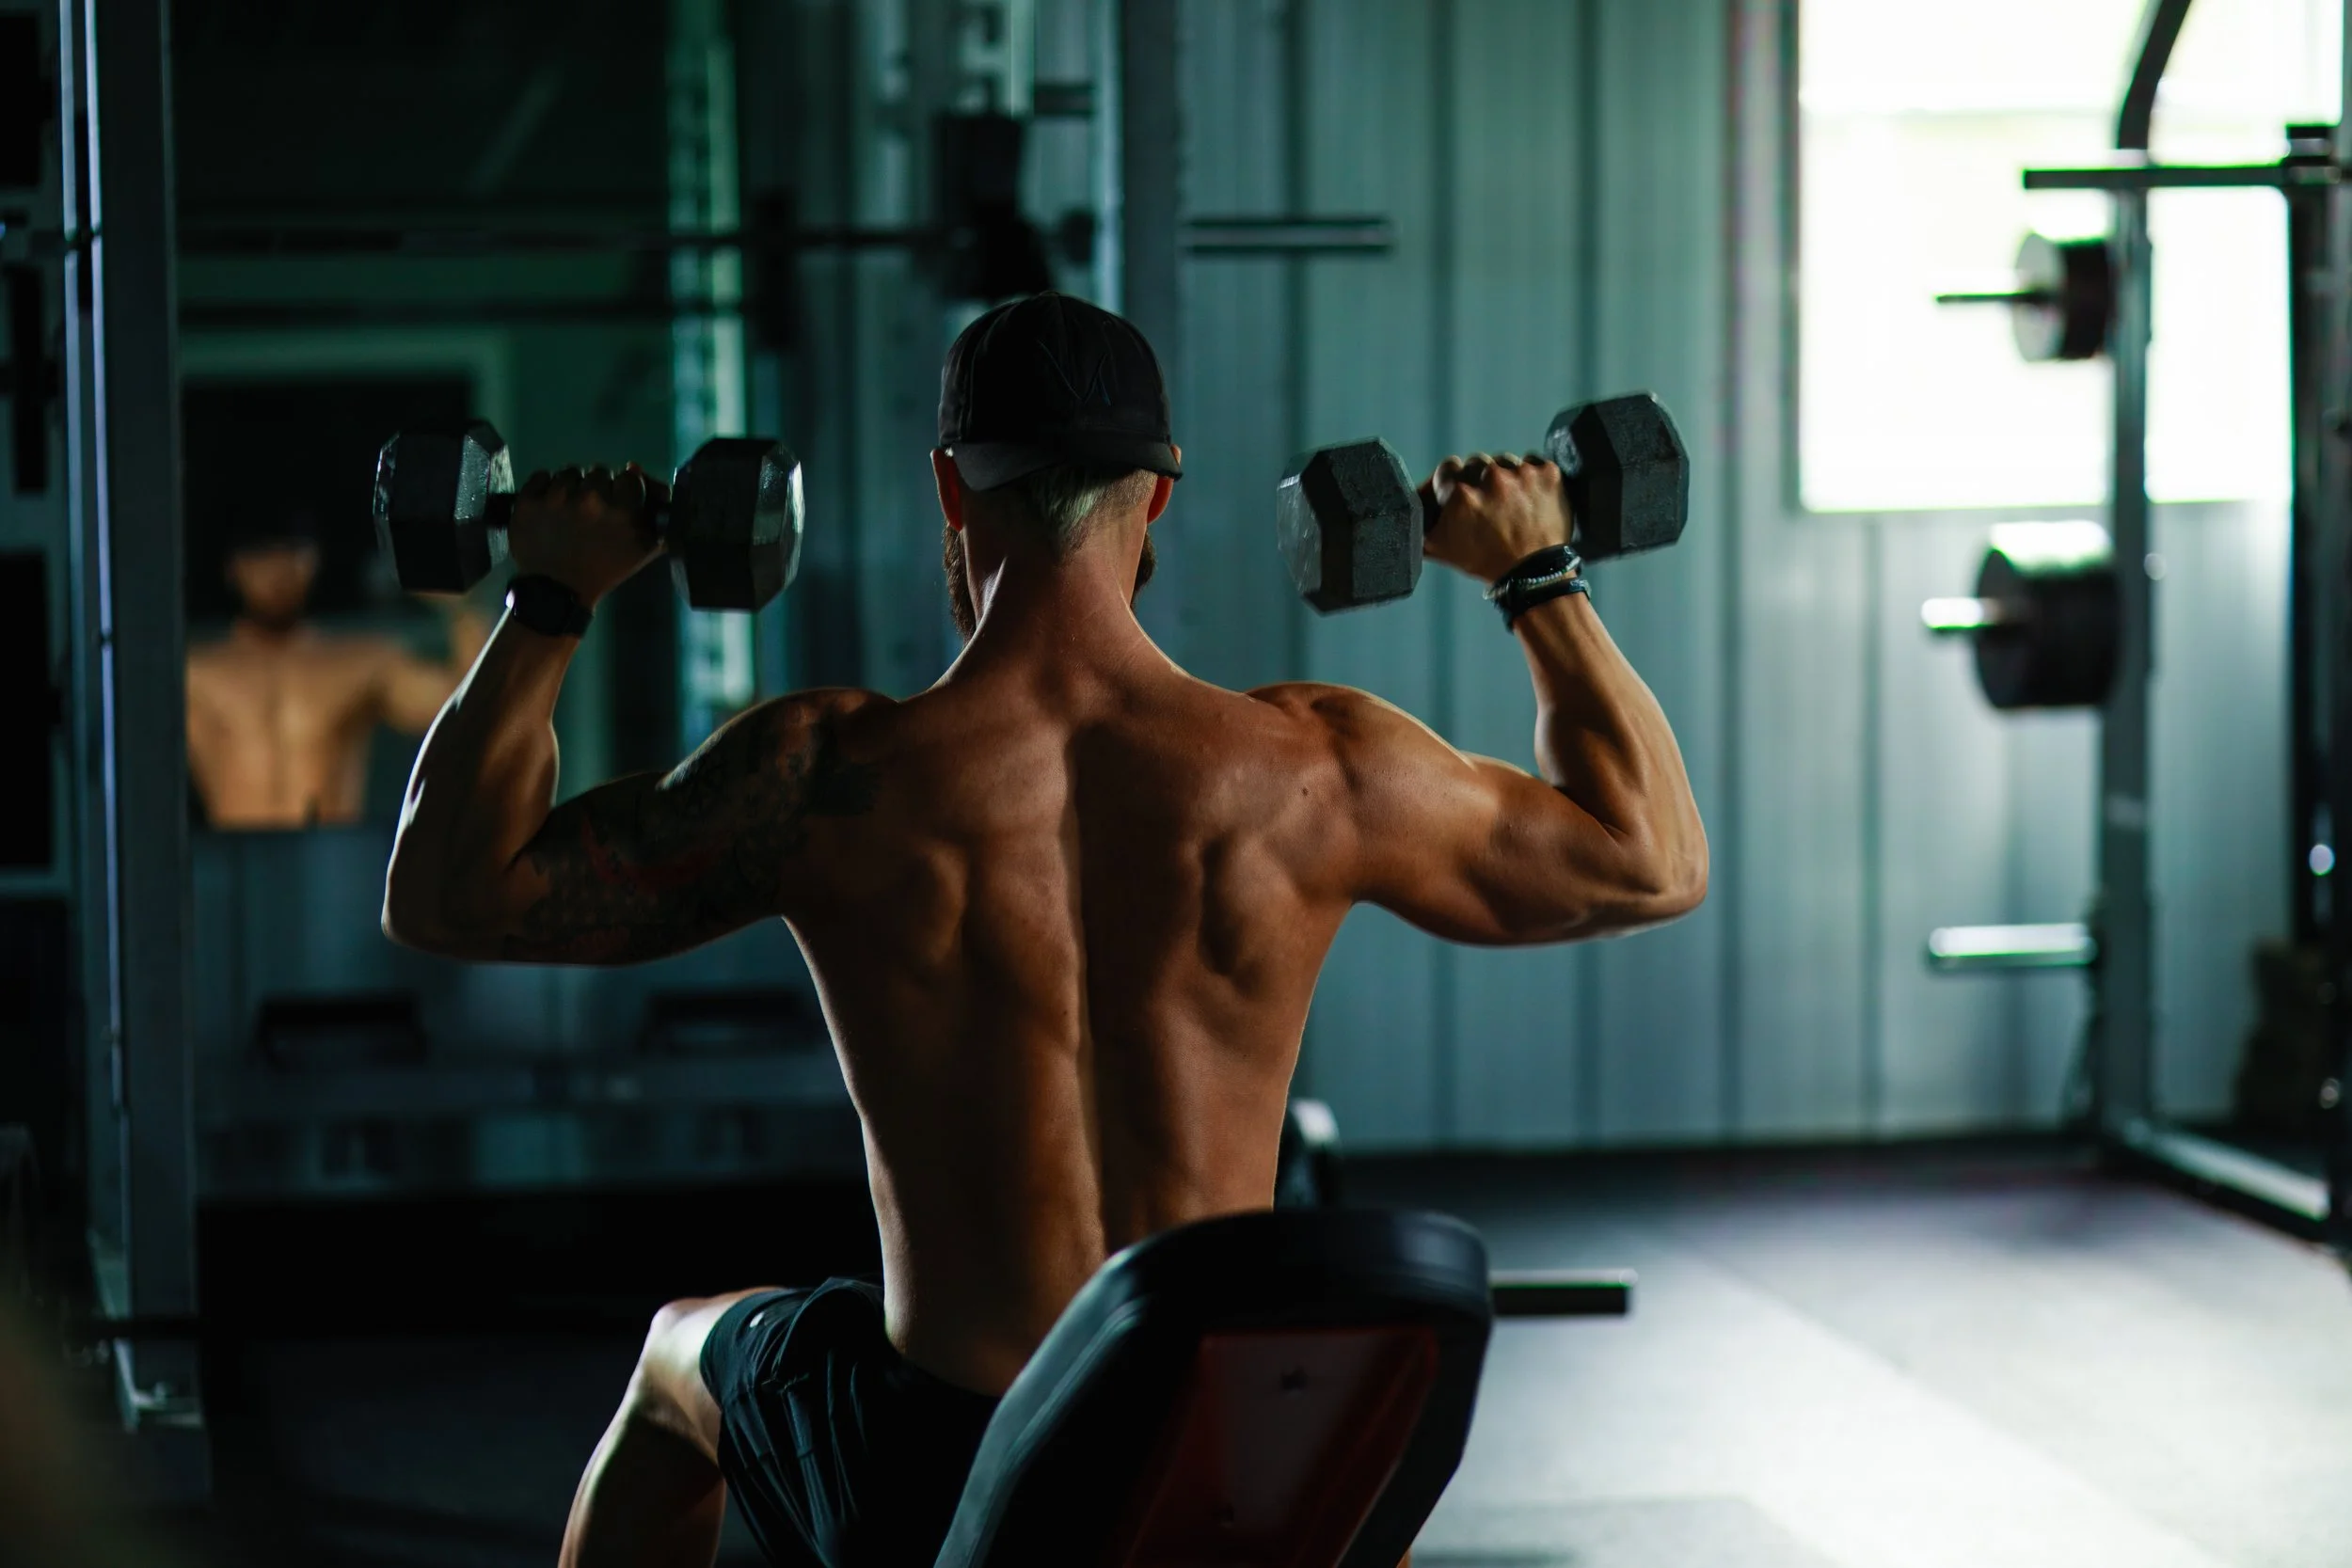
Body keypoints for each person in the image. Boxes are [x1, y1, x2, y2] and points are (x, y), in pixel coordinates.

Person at [380, 293, 1707, 1568]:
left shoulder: (827, 778)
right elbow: (1652, 860)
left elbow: (449, 893)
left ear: (952, 490)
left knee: (681, 1356)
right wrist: (1539, 570)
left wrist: (550, 595)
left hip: (947, 1469)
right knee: (1339, 1453)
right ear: (1159, 499)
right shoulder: (1316, 770)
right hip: (1229, 1448)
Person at [185, 517, 488, 830]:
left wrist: (460, 608)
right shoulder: (197, 675)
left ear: (313, 560)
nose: (277, 569)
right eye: (261, 555)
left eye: (291, 552)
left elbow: (474, 713)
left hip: (333, 859)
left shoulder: (357, 663)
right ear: (234, 568)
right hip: (232, 863)